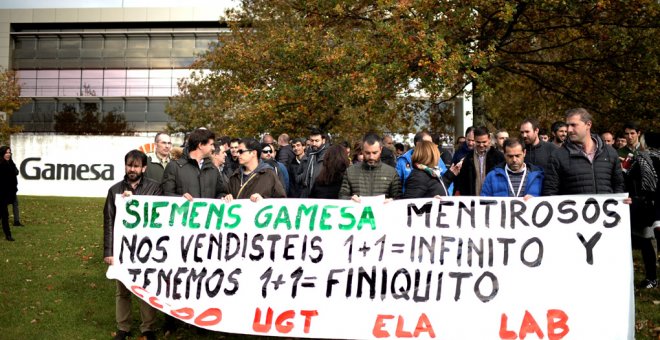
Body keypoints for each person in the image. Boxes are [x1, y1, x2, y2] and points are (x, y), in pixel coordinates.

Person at [103, 150, 161, 340]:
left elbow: (159, 218)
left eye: (136, 166)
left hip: (147, 248)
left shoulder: (155, 188)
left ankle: (148, 328)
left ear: (144, 168)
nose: (132, 169)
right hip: (122, 248)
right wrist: (109, 251)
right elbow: (109, 221)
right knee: (123, 291)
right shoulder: (114, 190)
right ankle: (123, 327)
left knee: (146, 288)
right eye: (129, 165)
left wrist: (136, 201)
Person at [543, 108, 624, 195]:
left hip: (607, 207)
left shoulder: (610, 153)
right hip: (571, 208)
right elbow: (550, 191)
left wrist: (622, 201)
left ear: (588, 125)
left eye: (574, 125)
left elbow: (619, 186)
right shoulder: (557, 156)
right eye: (568, 125)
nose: (569, 130)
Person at [622, 131, 658, 289]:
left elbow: (628, 176)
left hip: (648, 205)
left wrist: (624, 167)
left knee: (646, 242)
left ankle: (651, 278)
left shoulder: (642, 158)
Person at [161, 128, 227, 200]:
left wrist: (224, 197)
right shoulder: (174, 167)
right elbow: (165, 194)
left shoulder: (213, 169)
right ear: (201, 145)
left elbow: (221, 192)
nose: (213, 148)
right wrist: (180, 199)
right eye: (211, 144)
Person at [339, 133, 401, 201]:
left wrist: (392, 201)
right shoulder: (350, 172)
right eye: (367, 153)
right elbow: (342, 196)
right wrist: (350, 199)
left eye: (375, 153)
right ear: (362, 150)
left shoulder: (391, 173)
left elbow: (399, 198)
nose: (371, 157)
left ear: (381, 150)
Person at [454, 126, 505, 196]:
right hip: (473, 201)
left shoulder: (499, 157)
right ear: (474, 139)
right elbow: (463, 183)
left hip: (493, 200)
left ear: (489, 139)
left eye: (484, 142)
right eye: (478, 142)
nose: (481, 145)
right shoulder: (468, 158)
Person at [297, 128, 329, 198]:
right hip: (306, 194)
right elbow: (298, 177)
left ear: (323, 141)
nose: (314, 143)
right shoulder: (307, 156)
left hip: (322, 195)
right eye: (312, 141)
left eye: (317, 141)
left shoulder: (329, 156)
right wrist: (305, 175)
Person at [0, 146, 18, 241]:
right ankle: (8, 235)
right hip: (1, 194)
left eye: (9, 152)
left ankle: (8, 234)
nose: (8, 154)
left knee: (2, 214)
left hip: (7, 194)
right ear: (2, 153)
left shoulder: (10, 162)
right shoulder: (1, 164)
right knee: (5, 215)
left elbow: (16, 172)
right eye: (6, 152)